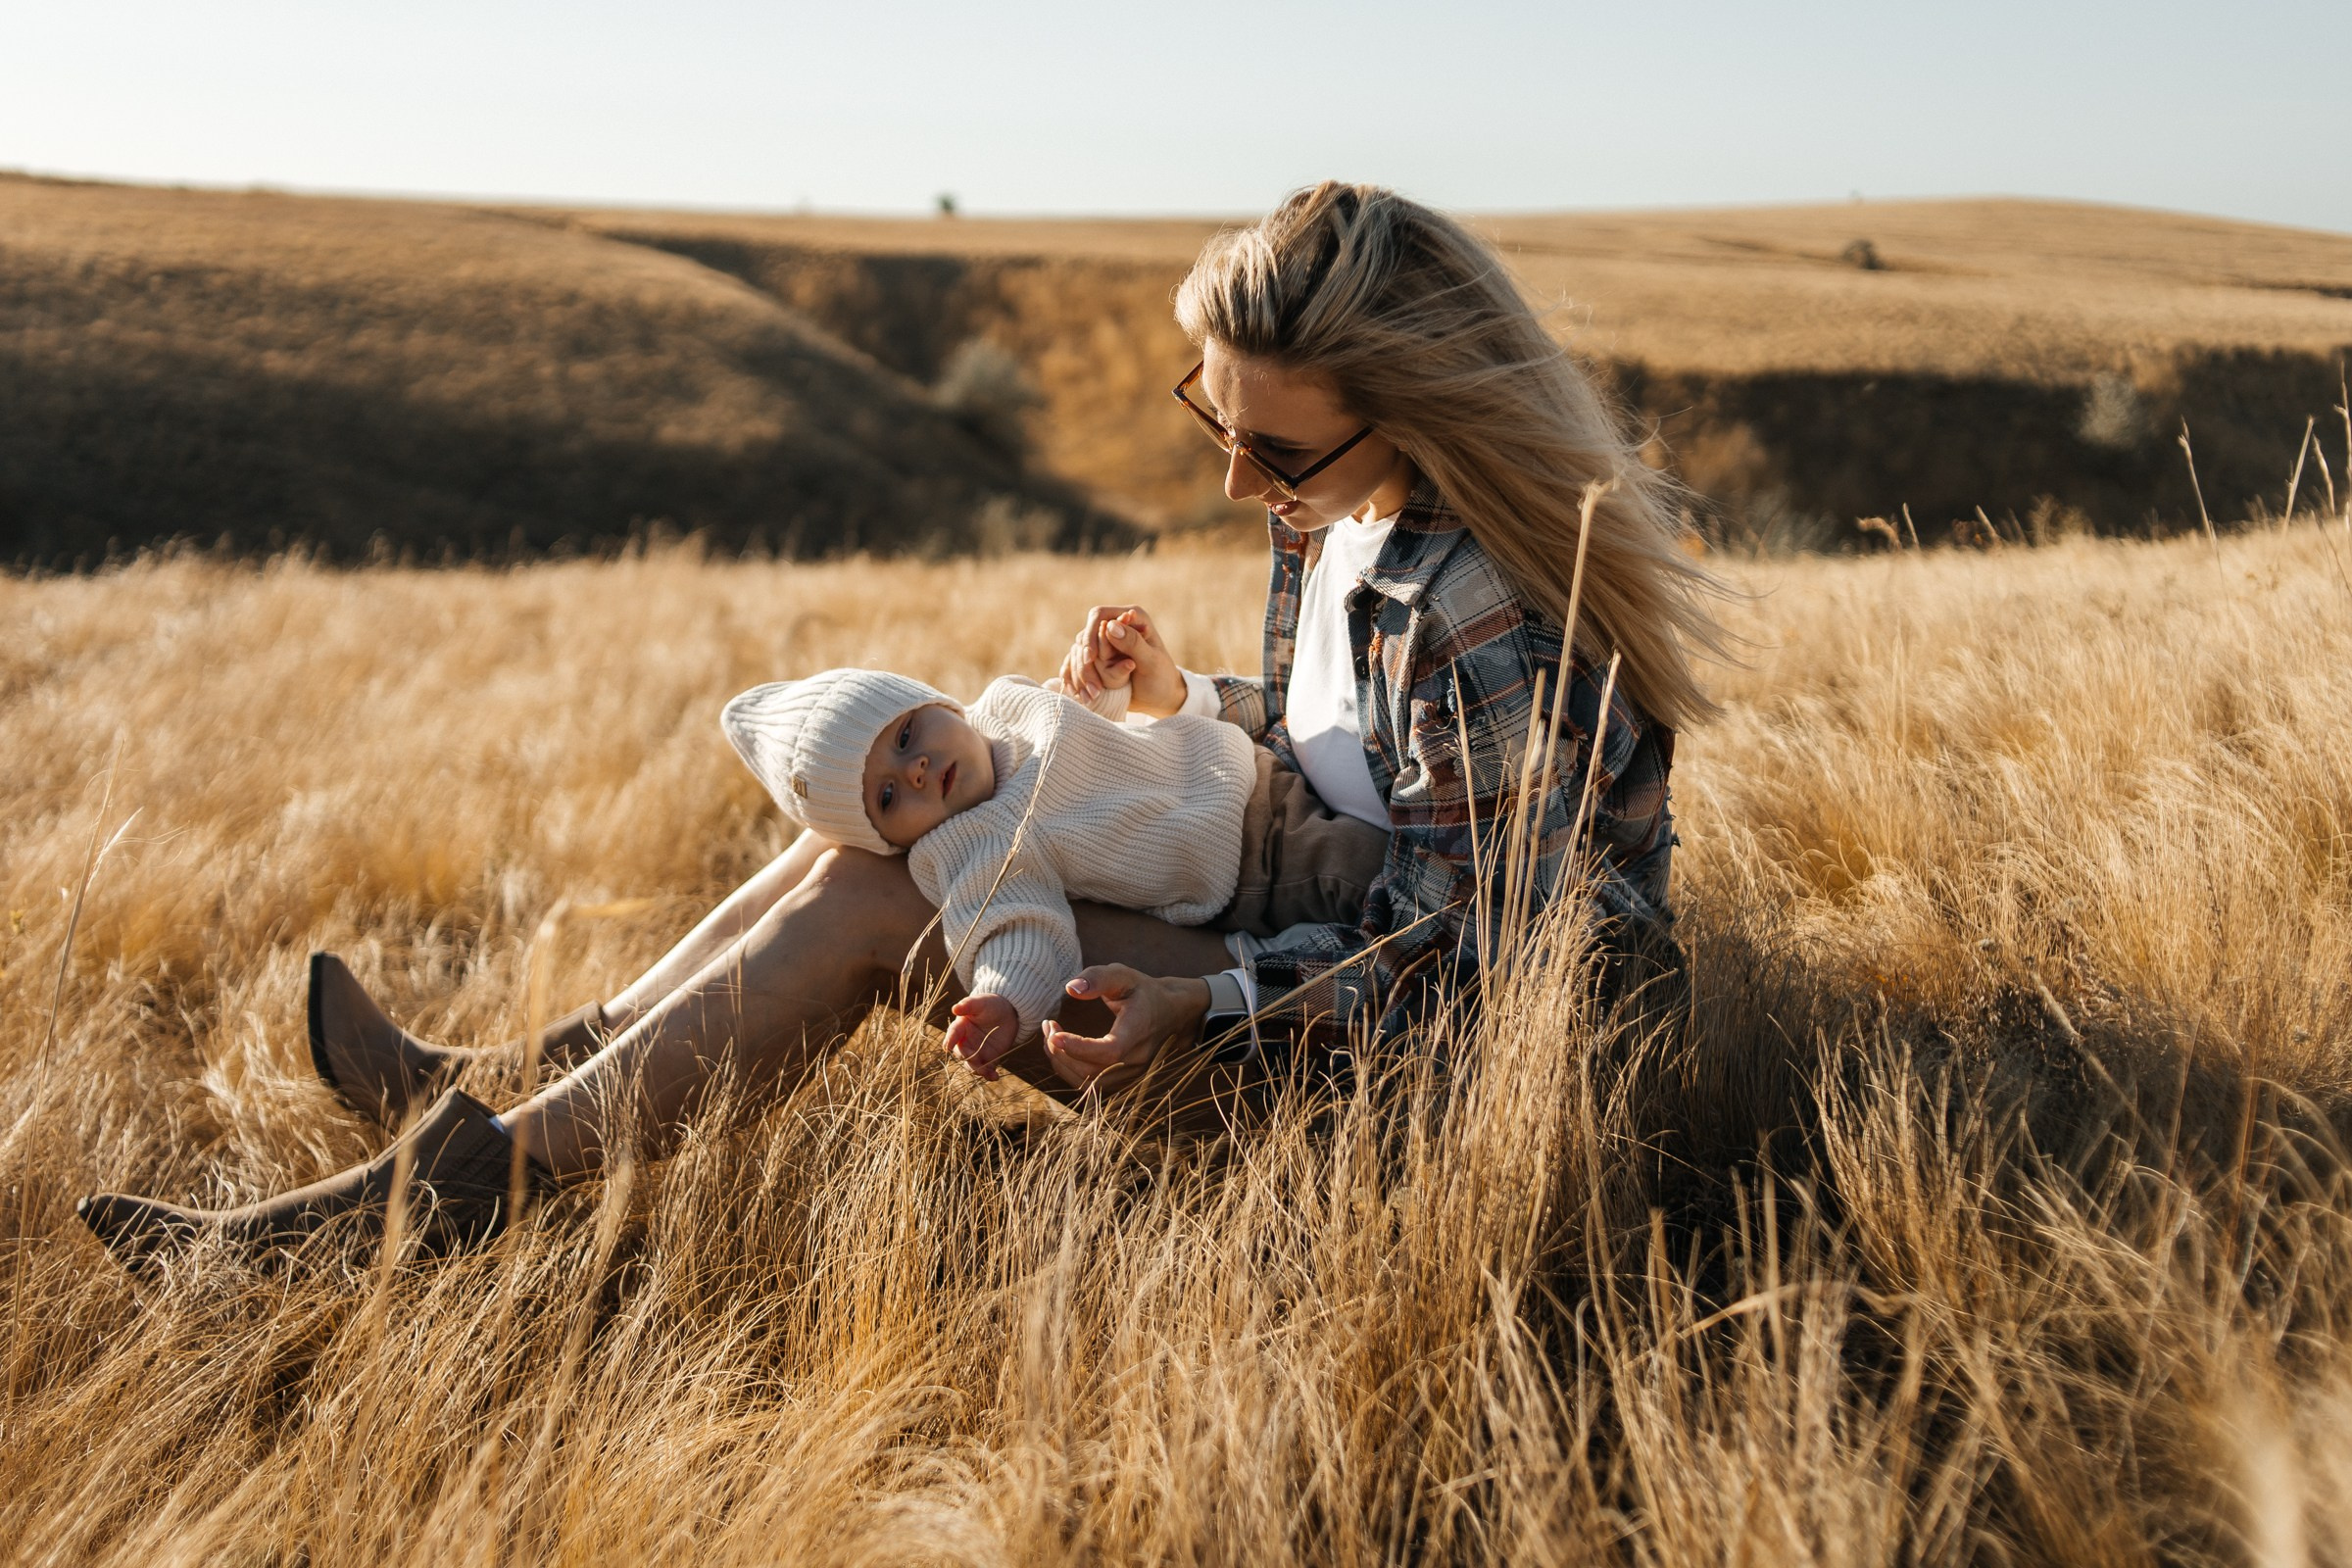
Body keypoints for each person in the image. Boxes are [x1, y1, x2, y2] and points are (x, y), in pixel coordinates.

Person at [76, 179, 1726, 1273]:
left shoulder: (1489, 603)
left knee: (894, 883)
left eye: (1272, 453)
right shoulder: (1340, 516)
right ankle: (520, 1081)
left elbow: (1489, 957)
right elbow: (1349, 772)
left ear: (1421, 405)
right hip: (1298, 931)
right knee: (872, 819)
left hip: (1411, 1069)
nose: (1237, 485)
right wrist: (1190, 706)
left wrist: (1200, 995)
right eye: (1213, 425)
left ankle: (421, 1214)